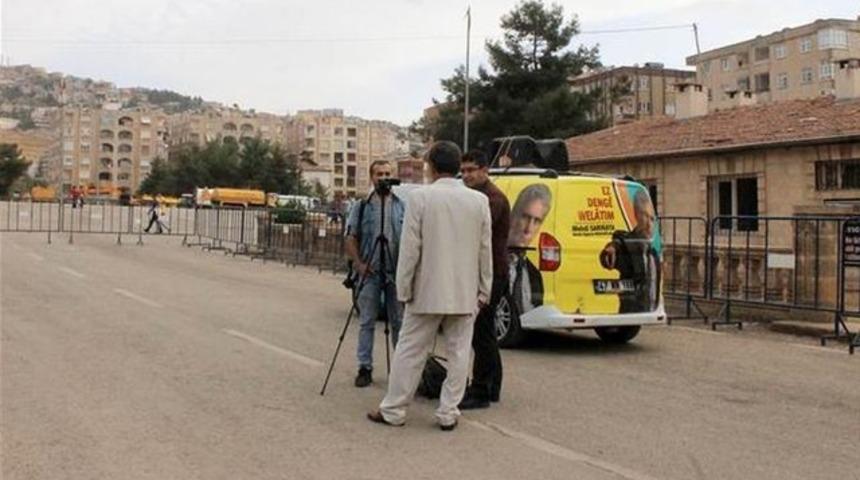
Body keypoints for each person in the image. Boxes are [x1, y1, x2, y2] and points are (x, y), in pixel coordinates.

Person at [367, 141, 492, 432]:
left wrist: (403, 288)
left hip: (426, 290)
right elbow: (484, 250)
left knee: (410, 351)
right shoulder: (478, 201)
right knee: (459, 353)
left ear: (432, 167)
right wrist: (484, 288)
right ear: (456, 166)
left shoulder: (421, 199)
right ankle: (448, 412)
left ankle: (394, 409)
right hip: (464, 291)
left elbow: (410, 249)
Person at [344, 160, 405, 388]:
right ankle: (364, 367)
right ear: (371, 177)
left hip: (395, 272)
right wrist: (359, 264)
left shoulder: (401, 206)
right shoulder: (361, 206)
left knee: (399, 322)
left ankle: (401, 370)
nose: (384, 177)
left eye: (388, 173)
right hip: (370, 272)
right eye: (379, 174)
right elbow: (350, 237)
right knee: (367, 321)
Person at [458, 150, 509, 410]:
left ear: (484, 170)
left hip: (492, 274)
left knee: (481, 334)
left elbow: (476, 236)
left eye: (471, 170)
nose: (466, 175)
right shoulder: (478, 197)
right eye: (463, 170)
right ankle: (492, 387)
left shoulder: (492, 199)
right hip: (485, 272)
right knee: (485, 332)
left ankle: (480, 390)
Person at [599, 188, 660, 313]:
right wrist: (611, 248)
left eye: (652, 218)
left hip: (651, 309)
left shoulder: (653, 251)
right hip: (630, 310)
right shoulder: (626, 242)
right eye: (644, 215)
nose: (649, 224)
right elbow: (613, 250)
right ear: (636, 215)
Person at [508, 184, 552, 314]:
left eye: (537, 221)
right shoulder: (494, 263)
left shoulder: (535, 275)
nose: (528, 228)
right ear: (513, 215)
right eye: (525, 217)